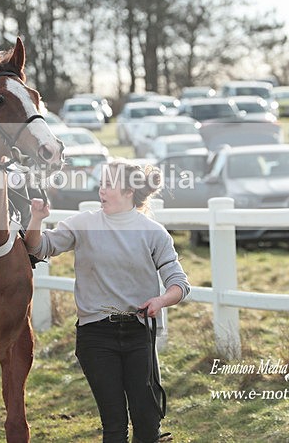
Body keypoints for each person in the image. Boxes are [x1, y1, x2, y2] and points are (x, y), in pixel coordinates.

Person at [25, 160, 190, 443]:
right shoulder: (83, 224)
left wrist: (161, 300)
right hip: (95, 335)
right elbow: (37, 248)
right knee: (114, 425)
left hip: (139, 333)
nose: (102, 190)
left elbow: (180, 284)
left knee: (148, 423)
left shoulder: (153, 233)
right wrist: (37, 219)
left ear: (128, 191)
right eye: (101, 184)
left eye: (109, 185)